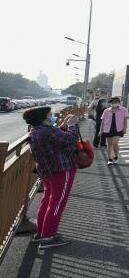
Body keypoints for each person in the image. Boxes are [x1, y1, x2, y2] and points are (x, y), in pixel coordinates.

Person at [23, 106, 80, 249]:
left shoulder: (36, 130)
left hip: (47, 170)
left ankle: (42, 232)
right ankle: (48, 237)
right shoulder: (47, 131)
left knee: (48, 201)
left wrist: (63, 126)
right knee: (57, 203)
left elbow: (56, 138)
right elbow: (71, 140)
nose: (52, 116)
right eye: (49, 115)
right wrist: (72, 125)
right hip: (61, 169)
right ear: (43, 118)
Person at [100, 97, 128, 165]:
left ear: (119, 102)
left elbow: (125, 120)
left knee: (115, 143)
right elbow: (103, 121)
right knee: (109, 144)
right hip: (108, 129)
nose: (114, 103)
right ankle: (109, 159)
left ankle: (116, 156)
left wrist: (124, 129)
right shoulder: (106, 110)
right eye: (113, 102)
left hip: (118, 129)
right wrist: (101, 130)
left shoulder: (123, 109)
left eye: (116, 102)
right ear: (110, 103)